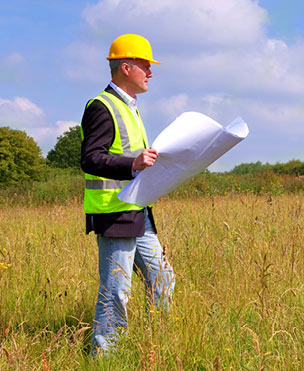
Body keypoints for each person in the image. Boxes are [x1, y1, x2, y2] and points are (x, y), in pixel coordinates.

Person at [80, 34, 175, 354]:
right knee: (116, 290)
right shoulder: (101, 106)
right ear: (126, 67)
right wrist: (132, 163)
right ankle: (105, 355)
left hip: (138, 211)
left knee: (163, 279)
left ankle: (156, 347)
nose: (151, 73)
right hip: (114, 212)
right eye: (145, 66)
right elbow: (90, 158)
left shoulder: (130, 108)